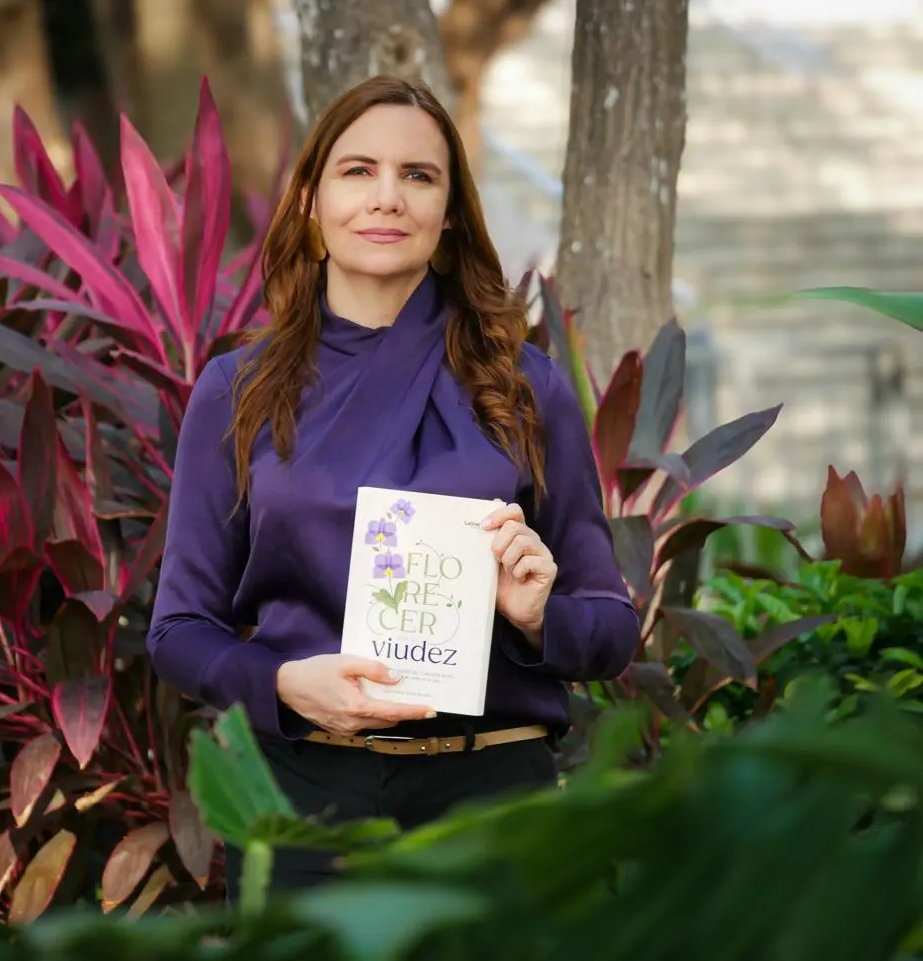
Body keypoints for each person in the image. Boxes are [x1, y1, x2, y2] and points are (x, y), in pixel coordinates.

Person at [146, 74, 641, 898]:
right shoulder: (238, 392)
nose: (387, 197)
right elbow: (178, 630)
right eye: (358, 171)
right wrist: (280, 684)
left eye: (418, 175)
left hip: (494, 797)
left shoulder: (526, 387)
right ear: (311, 202)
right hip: (302, 800)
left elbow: (612, 628)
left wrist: (536, 616)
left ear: (450, 216)